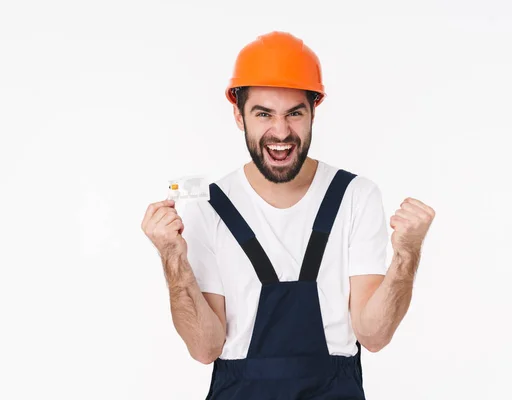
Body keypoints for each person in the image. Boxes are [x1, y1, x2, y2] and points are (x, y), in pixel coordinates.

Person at [141, 31, 435, 399]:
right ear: (238, 115)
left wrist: (407, 254)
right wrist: (173, 258)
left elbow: (373, 336)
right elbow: (204, 349)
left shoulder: (355, 196)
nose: (280, 132)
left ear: (314, 111)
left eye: (294, 113)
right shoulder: (209, 208)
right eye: (263, 114)